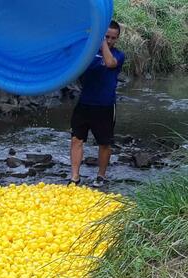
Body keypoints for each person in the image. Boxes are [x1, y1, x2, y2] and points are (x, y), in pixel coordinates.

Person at [68, 20, 125, 188]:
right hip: (84, 104)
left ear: (117, 39)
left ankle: (101, 176)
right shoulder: (87, 54)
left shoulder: (118, 56)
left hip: (105, 106)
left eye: (113, 38)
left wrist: (100, 41)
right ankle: (75, 178)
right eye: (106, 36)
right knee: (76, 139)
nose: (109, 40)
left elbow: (109, 63)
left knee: (104, 143)